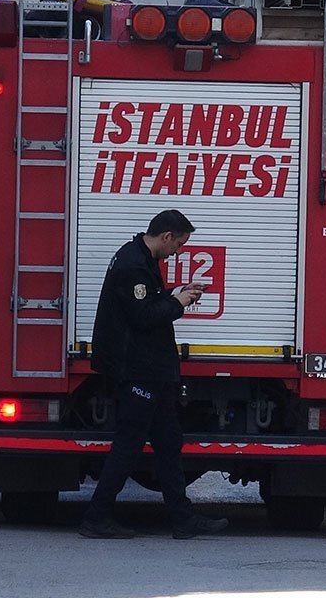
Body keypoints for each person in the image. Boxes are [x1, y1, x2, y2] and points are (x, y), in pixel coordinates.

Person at [80, 209, 229, 540]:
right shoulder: (133, 265)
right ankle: (96, 517)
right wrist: (179, 303)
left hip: (151, 372)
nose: (178, 251)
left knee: (168, 442)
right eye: (179, 244)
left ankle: (183, 519)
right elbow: (143, 316)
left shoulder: (140, 258)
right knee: (129, 444)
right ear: (166, 236)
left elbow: (146, 301)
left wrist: (176, 291)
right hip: (139, 371)